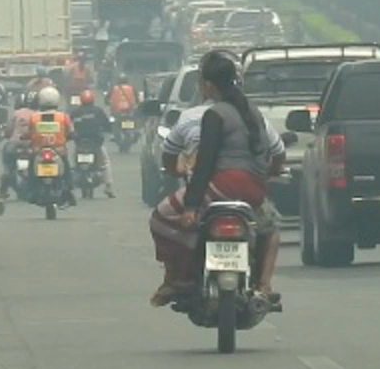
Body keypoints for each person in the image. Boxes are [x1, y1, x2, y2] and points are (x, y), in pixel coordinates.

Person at [148, 51, 285, 307]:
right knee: (270, 227)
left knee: (160, 217)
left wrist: (191, 206)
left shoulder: (214, 114)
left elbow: (205, 163)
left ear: (208, 86)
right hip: (253, 192)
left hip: (223, 186)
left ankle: (181, 277)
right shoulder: (253, 113)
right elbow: (273, 154)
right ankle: (264, 285)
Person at [27, 86, 77, 207]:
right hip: (59, 151)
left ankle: (31, 191)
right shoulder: (63, 117)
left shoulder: (34, 117)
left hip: (38, 151)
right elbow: (71, 132)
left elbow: (28, 133)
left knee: (31, 171)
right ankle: (69, 191)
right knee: (67, 170)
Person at [69, 90, 115, 198]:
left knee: (73, 164)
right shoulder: (98, 111)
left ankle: (69, 187)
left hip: (80, 143)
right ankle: (108, 186)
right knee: (105, 163)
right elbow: (107, 125)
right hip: (96, 143)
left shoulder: (76, 112)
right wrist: (109, 132)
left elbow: (69, 126)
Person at [0, 91, 38, 200]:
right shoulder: (37, 114)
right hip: (33, 144)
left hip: (14, 144)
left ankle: (3, 191)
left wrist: (6, 135)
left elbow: (8, 130)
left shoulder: (16, 114)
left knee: (8, 168)